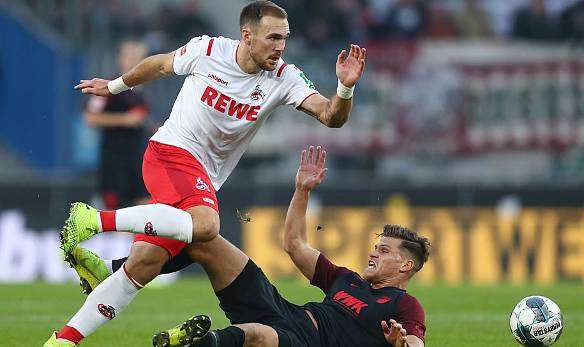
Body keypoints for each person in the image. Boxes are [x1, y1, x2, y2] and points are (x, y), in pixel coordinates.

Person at [45, 1, 367, 346]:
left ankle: (63, 339)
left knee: (141, 266)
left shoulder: (284, 77)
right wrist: (115, 86)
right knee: (207, 226)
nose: (280, 47)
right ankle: (93, 219)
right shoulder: (209, 49)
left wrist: (344, 88)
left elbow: (331, 115)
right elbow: (160, 65)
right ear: (247, 35)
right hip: (170, 153)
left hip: (203, 178)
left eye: (284, 39)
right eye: (273, 38)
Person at [69, 146, 430, 347]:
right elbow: (294, 243)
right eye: (376, 246)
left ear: (405, 267)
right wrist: (302, 190)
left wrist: (401, 345)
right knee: (202, 238)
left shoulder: (404, 305)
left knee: (255, 335)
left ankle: (196, 343)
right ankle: (114, 270)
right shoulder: (348, 281)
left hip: (305, 343)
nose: (373, 252)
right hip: (282, 308)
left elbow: (416, 344)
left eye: (384, 251)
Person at [85, 40, 150, 210]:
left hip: (139, 157)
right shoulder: (109, 86)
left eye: (138, 57)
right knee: (114, 208)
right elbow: (91, 118)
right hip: (115, 157)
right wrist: (124, 119)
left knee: (144, 204)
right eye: (129, 56)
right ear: (120, 59)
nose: (134, 61)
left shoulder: (144, 89)